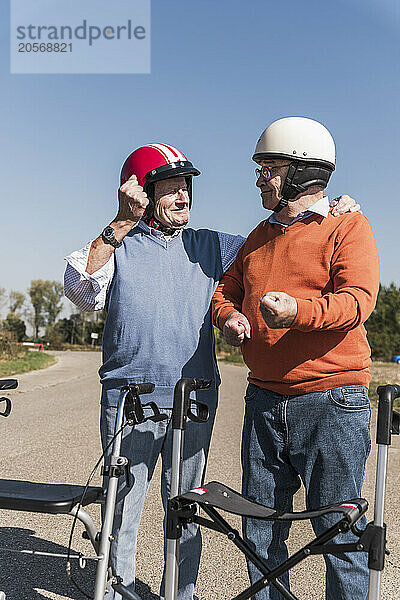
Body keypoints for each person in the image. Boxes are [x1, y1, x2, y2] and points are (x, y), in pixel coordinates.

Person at [64, 141, 359, 600]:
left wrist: (327, 207)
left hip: (193, 396)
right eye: (171, 188)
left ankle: (179, 594)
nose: (184, 196)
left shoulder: (214, 245)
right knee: (122, 505)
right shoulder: (118, 244)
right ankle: (117, 590)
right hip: (129, 397)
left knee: (185, 507)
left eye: (187, 187)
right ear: (140, 191)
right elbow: (79, 291)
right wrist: (120, 222)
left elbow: (278, 248)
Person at [212, 117, 380, 600]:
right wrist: (227, 316)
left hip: (331, 401)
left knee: (338, 535)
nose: (260, 178)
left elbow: (357, 302)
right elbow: (227, 289)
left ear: (303, 172)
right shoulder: (259, 234)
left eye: (269, 167)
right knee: (261, 534)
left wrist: (297, 313)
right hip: (264, 400)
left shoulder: (348, 226)